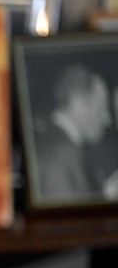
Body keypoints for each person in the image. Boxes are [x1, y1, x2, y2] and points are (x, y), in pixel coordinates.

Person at [35, 64, 115, 201]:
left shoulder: (52, 141)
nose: (107, 120)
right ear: (78, 104)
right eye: (102, 108)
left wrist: (104, 195)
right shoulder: (61, 153)